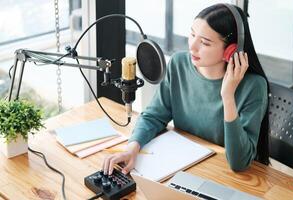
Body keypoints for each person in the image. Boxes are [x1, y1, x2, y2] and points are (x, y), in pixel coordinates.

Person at [103, 3, 270, 175]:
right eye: (192, 34)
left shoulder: (253, 86)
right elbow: (154, 116)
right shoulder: (178, 64)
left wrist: (228, 96)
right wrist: (132, 147)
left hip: (223, 175)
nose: (192, 46)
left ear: (230, 50)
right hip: (183, 169)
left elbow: (239, 162)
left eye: (204, 42)